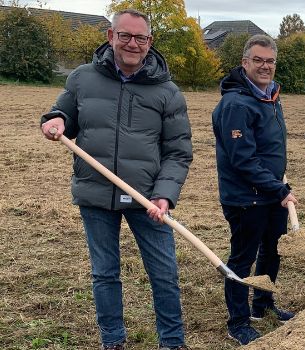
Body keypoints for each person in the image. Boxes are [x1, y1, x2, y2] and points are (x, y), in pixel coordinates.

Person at [39, 9, 192, 350]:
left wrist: (164, 195)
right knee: (105, 274)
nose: (132, 44)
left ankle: (172, 342)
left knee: (164, 273)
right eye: (125, 35)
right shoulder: (82, 78)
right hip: (95, 193)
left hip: (147, 197)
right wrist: (55, 121)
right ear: (111, 37)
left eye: (140, 38)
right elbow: (62, 114)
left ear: (150, 42)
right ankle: (113, 341)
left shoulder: (167, 91)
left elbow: (178, 152)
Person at [212, 34, 297, 345]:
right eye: (258, 60)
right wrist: (279, 188)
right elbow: (243, 159)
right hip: (246, 197)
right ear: (244, 62)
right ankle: (238, 321)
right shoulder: (235, 103)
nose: (265, 66)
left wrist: (278, 187)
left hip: (271, 192)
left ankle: (262, 304)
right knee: (242, 258)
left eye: (270, 61)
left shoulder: (271, 95)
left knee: (273, 251)